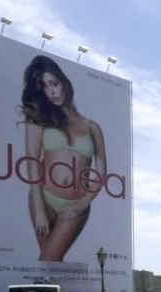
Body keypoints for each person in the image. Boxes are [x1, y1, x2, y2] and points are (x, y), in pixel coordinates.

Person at [20, 55, 107, 262]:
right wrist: (39, 209)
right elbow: (32, 162)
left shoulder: (92, 127)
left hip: (76, 204)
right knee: (50, 264)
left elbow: (101, 172)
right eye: (44, 86)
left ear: (64, 82)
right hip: (43, 198)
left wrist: (83, 204)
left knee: (48, 261)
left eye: (54, 83)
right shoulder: (38, 119)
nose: (52, 92)